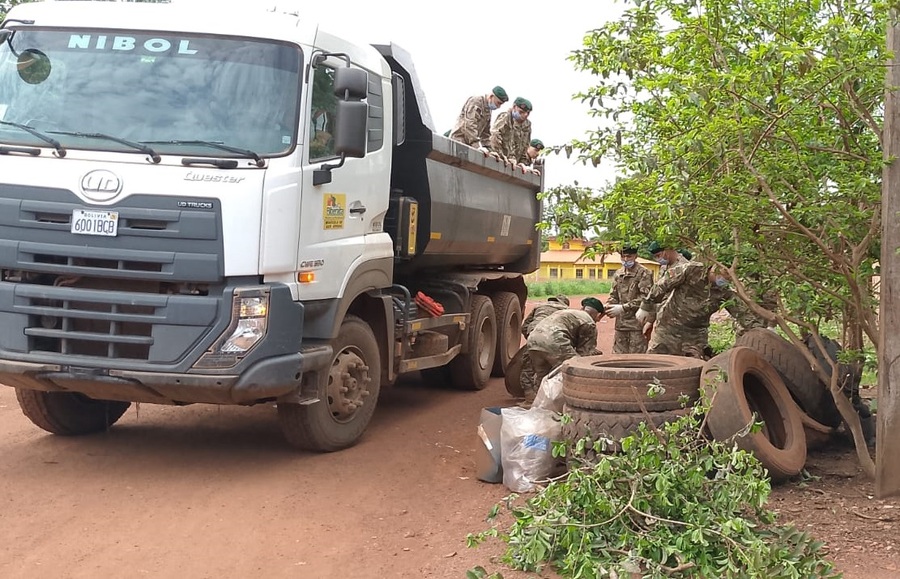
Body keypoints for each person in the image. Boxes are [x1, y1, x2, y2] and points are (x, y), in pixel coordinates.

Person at [635, 261, 762, 359]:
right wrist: (646, 306)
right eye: (726, 274)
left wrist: (762, 333)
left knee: (694, 368)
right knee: (657, 362)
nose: (727, 279)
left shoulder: (727, 291)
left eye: (731, 277)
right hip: (668, 328)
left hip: (696, 335)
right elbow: (662, 285)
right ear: (716, 267)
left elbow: (743, 315)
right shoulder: (691, 270)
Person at [520, 297, 604, 404]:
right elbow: (584, 354)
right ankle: (571, 403)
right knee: (573, 370)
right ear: (598, 315)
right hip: (554, 341)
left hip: (533, 340)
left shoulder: (569, 312)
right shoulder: (589, 322)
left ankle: (540, 406)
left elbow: (525, 327)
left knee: (542, 376)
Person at [605, 246, 654, 353]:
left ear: (636, 256)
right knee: (618, 358)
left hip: (637, 325)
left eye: (629, 256)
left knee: (636, 359)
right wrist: (608, 305)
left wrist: (623, 307)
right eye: (623, 257)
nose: (626, 260)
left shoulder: (644, 273)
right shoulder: (618, 274)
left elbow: (646, 298)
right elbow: (614, 295)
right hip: (621, 325)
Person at [489, 96, 532, 163]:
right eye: (521, 112)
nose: (524, 116)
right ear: (514, 107)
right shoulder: (506, 117)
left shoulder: (526, 125)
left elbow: (525, 147)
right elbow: (495, 135)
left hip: (512, 163)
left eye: (527, 114)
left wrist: (522, 163)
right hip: (500, 159)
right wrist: (500, 155)